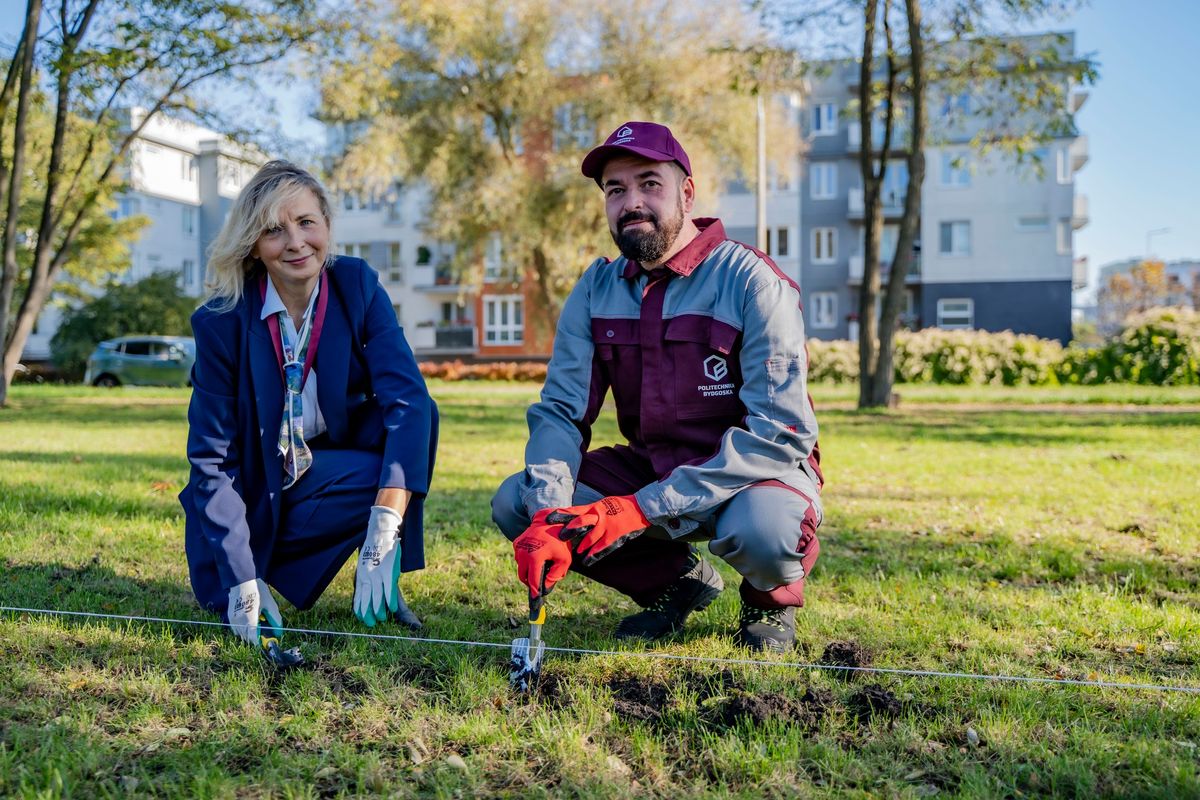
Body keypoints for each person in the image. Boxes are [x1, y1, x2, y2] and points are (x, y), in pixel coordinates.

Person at [492, 122, 823, 652]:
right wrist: (548, 516)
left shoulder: (753, 281)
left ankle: (768, 601)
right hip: (650, 465)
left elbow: (781, 433)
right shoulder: (595, 287)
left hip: (750, 475)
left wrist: (643, 508)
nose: (631, 203)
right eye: (615, 190)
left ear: (686, 192)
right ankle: (678, 584)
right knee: (518, 500)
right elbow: (560, 411)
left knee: (765, 530)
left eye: (649, 184)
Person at [181, 161, 438, 649]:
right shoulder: (221, 323)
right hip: (255, 492)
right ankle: (253, 570)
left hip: (322, 471)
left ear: (326, 226)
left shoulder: (356, 286)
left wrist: (386, 522)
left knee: (418, 419)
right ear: (253, 245)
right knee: (239, 592)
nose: (296, 242)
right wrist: (240, 577)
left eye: (305, 223)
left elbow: (407, 399)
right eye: (274, 230)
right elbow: (211, 463)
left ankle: (386, 565)